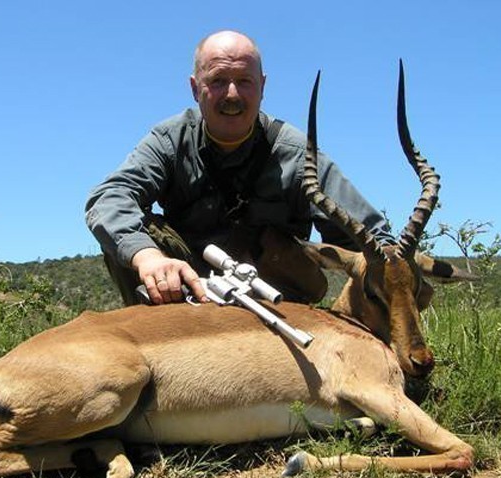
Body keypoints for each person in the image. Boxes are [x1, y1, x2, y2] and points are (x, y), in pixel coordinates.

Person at [86, 30, 392, 306]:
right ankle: (158, 343)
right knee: (132, 237)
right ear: (196, 88)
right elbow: (109, 198)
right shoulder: (170, 140)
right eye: (218, 81)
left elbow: (372, 239)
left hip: (276, 302)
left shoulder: (298, 154)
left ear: (262, 86)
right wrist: (148, 257)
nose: (232, 94)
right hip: (189, 292)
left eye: (244, 81)